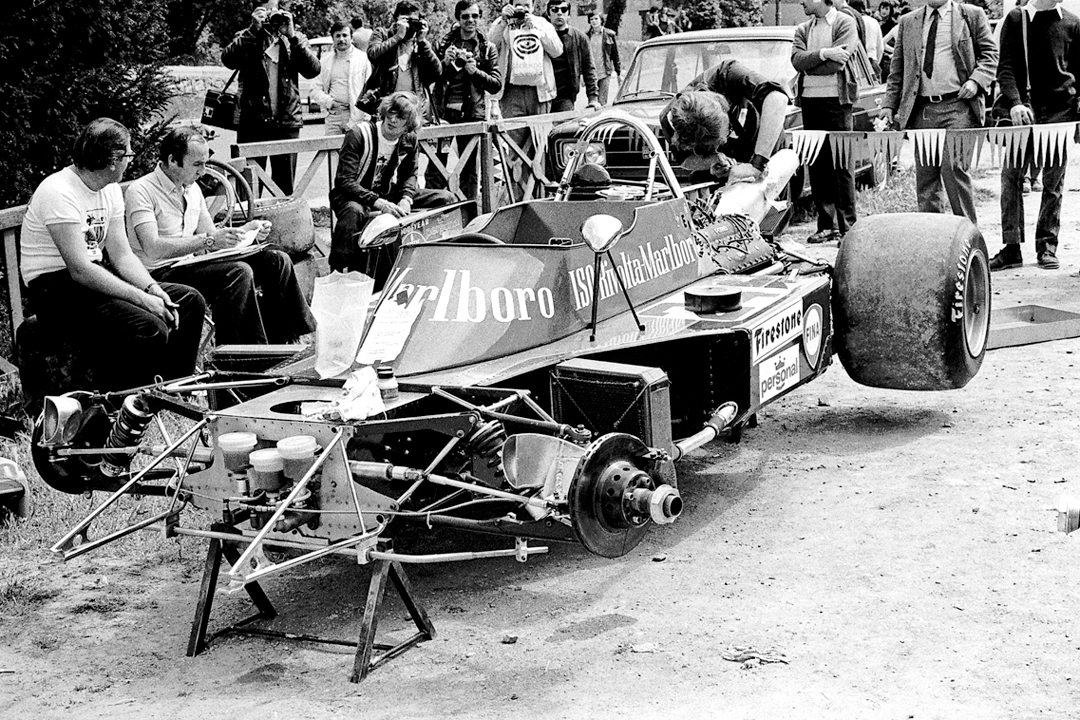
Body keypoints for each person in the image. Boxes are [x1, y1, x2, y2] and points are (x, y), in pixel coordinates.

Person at [19, 118, 206, 391]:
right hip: (54, 288)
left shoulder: (110, 190)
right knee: (148, 325)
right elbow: (80, 269)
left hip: (92, 277)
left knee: (188, 301)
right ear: (112, 160)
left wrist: (152, 288)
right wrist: (143, 299)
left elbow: (122, 255)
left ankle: (173, 390)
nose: (131, 160)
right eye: (128, 154)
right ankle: (120, 402)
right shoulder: (58, 191)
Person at [125, 126, 316, 346]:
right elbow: (153, 247)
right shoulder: (142, 190)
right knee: (237, 272)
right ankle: (240, 353)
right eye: (197, 164)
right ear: (172, 161)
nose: (203, 171)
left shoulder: (191, 188)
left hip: (190, 265)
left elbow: (212, 235)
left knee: (276, 260)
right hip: (160, 273)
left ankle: (286, 341)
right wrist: (208, 240)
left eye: (205, 163)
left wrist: (247, 231)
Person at [881, 0, 997, 226]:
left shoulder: (971, 15)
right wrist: (889, 105)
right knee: (926, 177)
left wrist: (976, 81)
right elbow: (897, 68)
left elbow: (990, 55)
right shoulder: (908, 22)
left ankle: (967, 234)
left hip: (958, 106)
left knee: (953, 169)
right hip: (922, 109)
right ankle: (933, 236)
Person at [989, 0, 1080, 270]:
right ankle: (1011, 248)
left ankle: (1047, 246)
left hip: (1060, 114)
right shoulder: (1017, 19)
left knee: (1053, 183)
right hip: (1024, 112)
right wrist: (1015, 102)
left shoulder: (1073, 22)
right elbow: (1005, 68)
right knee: (1011, 178)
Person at [329, 92, 456, 284]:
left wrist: (406, 198)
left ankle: (438, 261)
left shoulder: (409, 139)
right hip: (352, 196)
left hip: (385, 193)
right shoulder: (359, 134)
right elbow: (344, 181)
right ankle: (339, 274)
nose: (393, 119)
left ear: (409, 124)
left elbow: (410, 174)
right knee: (353, 212)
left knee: (446, 199)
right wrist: (379, 202)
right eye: (391, 112)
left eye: (401, 117)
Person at [221, 1, 321, 196]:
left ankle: (281, 217)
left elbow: (313, 70)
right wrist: (253, 31)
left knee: (284, 190)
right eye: (266, 12)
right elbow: (228, 60)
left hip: (286, 122)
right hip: (252, 123)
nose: (271, 17)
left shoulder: (293, 37)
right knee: (249, 188)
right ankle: (250, 217)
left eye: (274, 11)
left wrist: (292, 36)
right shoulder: (246, 36)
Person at [791, 0, 861, 244]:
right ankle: (826, 225)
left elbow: (838, 63)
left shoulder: (845, 22)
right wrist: (824, 53)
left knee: (842, 165)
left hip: (838, 102)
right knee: (817, 164)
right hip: (810, 102)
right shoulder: (803, 29)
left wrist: (811, 65)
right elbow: (796, 60)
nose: (801, 2)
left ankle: (847, 227)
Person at [659, 60, 790, 183]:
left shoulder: (728, 74)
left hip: (766, 147)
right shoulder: (669, 121)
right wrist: (712, 160)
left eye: (727, 132)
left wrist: (758, 164)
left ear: (723, 106)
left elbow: (777, 98)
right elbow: (684, 159)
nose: (726, 139)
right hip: (731, 170)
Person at [428, 0, 501, 197]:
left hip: (471, 113)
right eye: (465, 16)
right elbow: (428, 78)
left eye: (475, 16)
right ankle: (433, 208)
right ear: (458, 19)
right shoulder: (442, 44)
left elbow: (496, 85)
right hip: (443, 114)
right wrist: (444, 62)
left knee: (469, 170)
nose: (470, 20)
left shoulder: (487, 48)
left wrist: (475, 71)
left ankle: (469, 210)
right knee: (436, 166)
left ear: (480, 18)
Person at [489, 1, 563, 191]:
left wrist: (536, 28)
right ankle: (518, 195)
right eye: (519, 4)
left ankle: (541, 193)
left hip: (539, 92)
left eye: (526, 4)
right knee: (514, 147)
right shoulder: (502, 23)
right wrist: (503, 21)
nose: (522, 9)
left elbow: (557, 50)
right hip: (511, 93)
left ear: (533, 6)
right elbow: (489, 45)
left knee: (540, 146)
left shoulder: (541, 23)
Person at [365, 1, 442, 122]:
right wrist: (398, 36)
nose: (410, 25)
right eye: (406, 20)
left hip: (414, 108)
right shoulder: (383, 34)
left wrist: (422, 41)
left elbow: (437, 72)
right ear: (396, 20)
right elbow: (373, 55)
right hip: (387, 105)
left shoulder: (420, 44)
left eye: (413, 21)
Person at [310, 21, 372, 135]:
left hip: (357, 116)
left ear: (351, 38)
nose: (341, 39)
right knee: (331, 146)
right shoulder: (325, 61)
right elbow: (314, 90)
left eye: (345, 35)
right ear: (333, 39)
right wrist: (330, 102)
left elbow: (370, 88)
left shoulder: (363, 59)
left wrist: (366, 113)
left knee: (353, 146)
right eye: (338, 36)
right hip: (334, 116)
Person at [546, 0, 600, 112]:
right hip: (543, 96)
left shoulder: (580, 38)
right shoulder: (541, 35)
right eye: (555, 10)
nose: (559, 13)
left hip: (565, 97)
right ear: (548, 14)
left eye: (564, 10)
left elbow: (589, 68)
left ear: (569, 14)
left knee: (565, 123)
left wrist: (593, 98)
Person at [587, 13, 621, 107]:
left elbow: (615, 55)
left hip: (604, 72)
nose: (593, 21)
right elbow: (584, 57)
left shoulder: (609, 34)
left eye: (596, 19)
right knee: (593, 103)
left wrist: (618, 72)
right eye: (591, 19)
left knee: (602, 101)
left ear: (601, 20)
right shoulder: (587, 36)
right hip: (592, 74)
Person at [851, 0, 884, 79]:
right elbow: (880, 47)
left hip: (858, 63)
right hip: (873, 60)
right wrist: (877, 60)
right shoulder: (874, 21)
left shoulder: (851, 21)